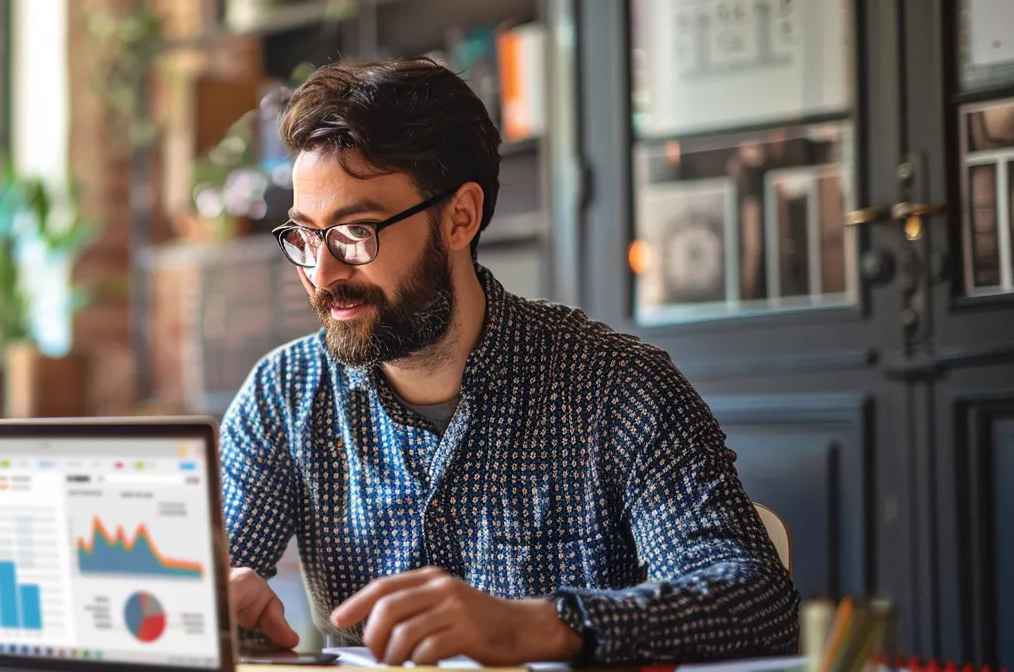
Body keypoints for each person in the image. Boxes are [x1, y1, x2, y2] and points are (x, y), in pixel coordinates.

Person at [219, 58, 799, 667]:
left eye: (355, 232)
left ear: (459, 218)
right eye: (305, 236)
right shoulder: (284, 394)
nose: (323, 272)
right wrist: (216, 603)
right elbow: (215, 578)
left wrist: (537, 627)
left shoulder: (619, 388)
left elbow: (757, 604)